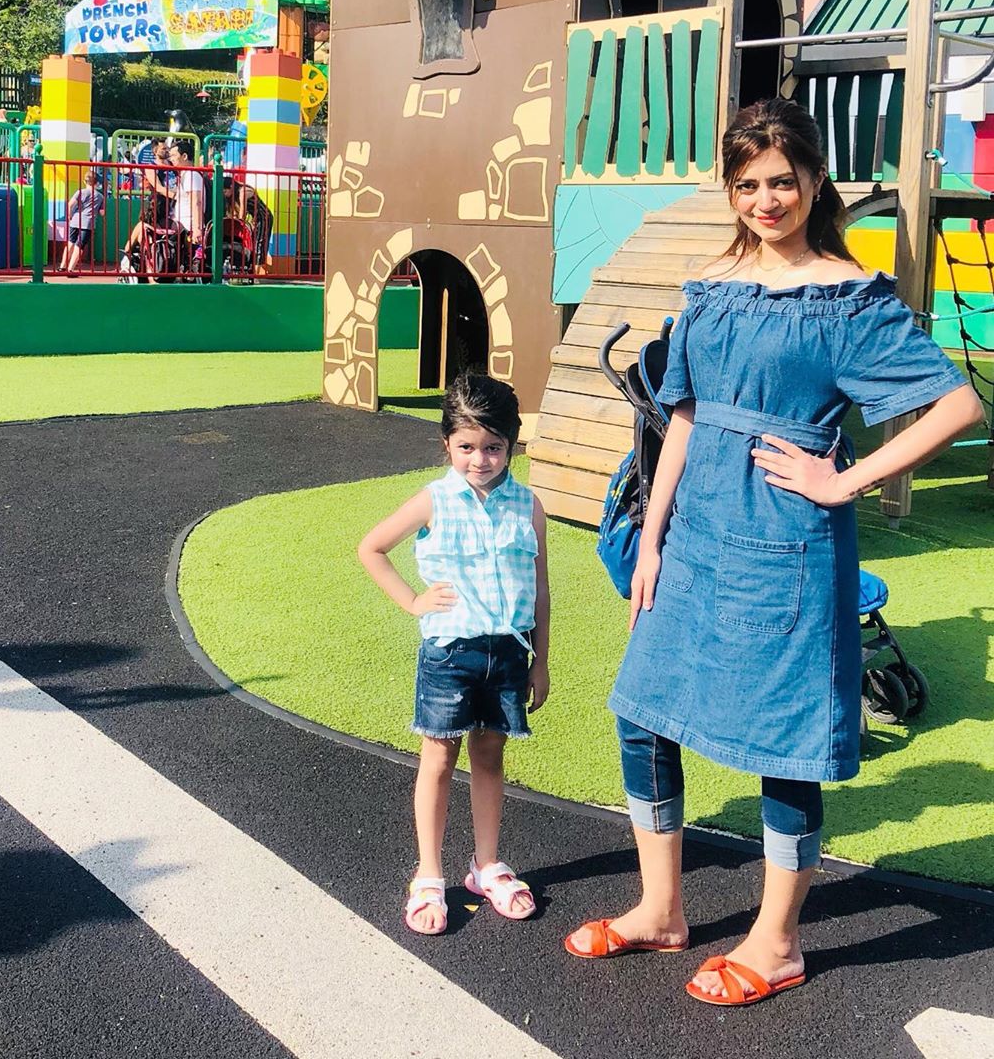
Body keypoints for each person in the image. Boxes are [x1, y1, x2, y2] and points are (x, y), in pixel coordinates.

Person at [563, 99, 983, 1005]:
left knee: (784, 742)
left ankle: (778, 940)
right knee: (643, 710)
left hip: (787, 543)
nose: (765, 200)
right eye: (747, 185)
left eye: (782, 182)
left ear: (814, 182)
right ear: (731, 190)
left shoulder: (847, 295)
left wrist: (845, 480)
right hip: (696, 532)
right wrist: (654, 533)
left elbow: (957, 405)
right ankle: (661, 909)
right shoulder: (710, 281)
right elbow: (679, 412)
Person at [358, 374, 551, 936]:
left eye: (493, 446)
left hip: (509, 654)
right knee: (438, 759)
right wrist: (414, 601)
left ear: (513, 444)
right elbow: (371, 547)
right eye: (467, 446)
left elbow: (540, 588)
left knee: (490, 759)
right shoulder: (434, 499)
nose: (481, 459)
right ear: (447, 443)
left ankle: (486, 866)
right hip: (449, 654)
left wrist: (540, 659)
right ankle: (429, 873)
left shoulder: (528, 505)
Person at [61, 170, 105, 276]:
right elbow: (102, 212)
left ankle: (62, 266)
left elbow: (70, 204)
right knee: (79, 246)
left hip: (76, 220)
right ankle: (70, 269)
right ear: (96, 183)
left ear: (85, 181)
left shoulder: (80, 192)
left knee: (70, 243)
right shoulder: (100, 196)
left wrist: (69, 215)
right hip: (88, 223)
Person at [169, 139, 204, 252]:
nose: (171, 159)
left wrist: (197, 228)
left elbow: (196, 202)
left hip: (188, 227)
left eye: (174, 155)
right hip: (182, 226)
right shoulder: (185, 175)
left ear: (184, 156)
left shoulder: (191, 175)